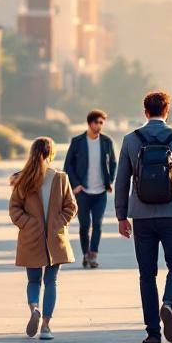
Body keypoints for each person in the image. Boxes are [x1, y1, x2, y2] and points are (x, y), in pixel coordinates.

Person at [113, 90, 172, 343]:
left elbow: (121, 180)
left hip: (141, 217)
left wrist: (121, 215)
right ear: (167, 111)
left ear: (145, 112)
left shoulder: (131, 140)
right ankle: (169, 304)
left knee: (146, 274)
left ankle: (153, 332)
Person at [8, 136, 77, 341]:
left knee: (33, 281)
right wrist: (59, 222)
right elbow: (71, 207)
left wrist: (28, 224)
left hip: (31, 238)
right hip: (55, 239)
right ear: (51, 153)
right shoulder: (60, 177)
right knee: (51, 281)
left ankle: (34, 310)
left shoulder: (22, 178)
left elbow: (14, 209)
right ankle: (46, 327)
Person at [62, 109, 117, 268]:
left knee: (98, 224)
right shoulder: (77, 141)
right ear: (89, 123)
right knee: (84, 225)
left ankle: (93, 254)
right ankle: (85, 253)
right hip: (83, 192)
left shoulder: (107, 141)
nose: (99, 126)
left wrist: (109, 181)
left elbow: (113, 163)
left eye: (101, 123)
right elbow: (68, 165)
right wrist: (75, 185)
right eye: (96, 122)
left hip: (100, 191)